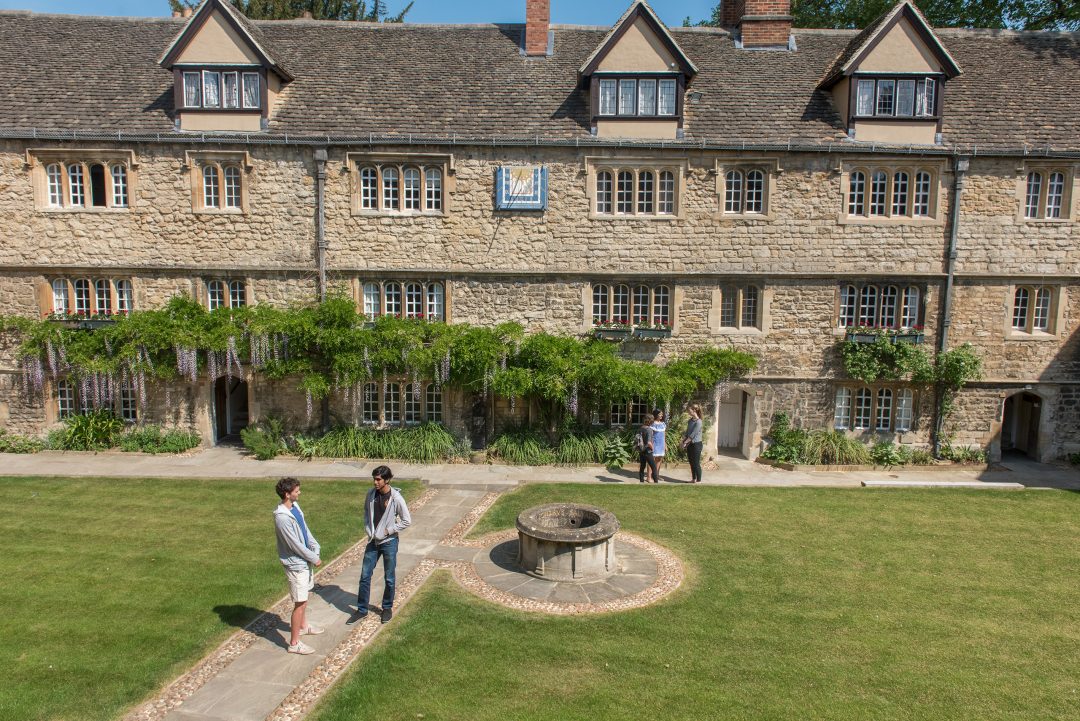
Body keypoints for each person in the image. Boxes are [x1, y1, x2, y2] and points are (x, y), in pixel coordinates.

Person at [348, 465, 412, 625]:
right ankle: (362, 609)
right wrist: (368, 529)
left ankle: (387, 607)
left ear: (387, 480)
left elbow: (407, 521)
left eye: (378, 479)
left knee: (389, 577)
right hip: (373, 542)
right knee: (364, 576)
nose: (375, 482)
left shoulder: (396, 498)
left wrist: (389, 530)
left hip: (389, 543)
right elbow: (366, 513)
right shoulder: (370, 495)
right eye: (374, 479)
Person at [273, 477, 324, 655]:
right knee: (299, 603)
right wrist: (313, 557)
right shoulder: (282, 518)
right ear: (287, 494)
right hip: (296, 565)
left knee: (305, 597)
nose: (299, 492)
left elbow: (305, 530)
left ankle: (303, 626)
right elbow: (294, 544)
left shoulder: (295, 507)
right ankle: (294, 643)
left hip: (304, 561)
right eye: (296, 491)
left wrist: (315, 546)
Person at [682, 404, 704, 483]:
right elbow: (687, 432)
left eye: (689, 410)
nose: (688, 412)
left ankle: (699, 480)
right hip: (690, 444)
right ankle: (693, 479)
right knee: (691, 462)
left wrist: (685, 443)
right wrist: (683, 440)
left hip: (696, 444)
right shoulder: (690, 421)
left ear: (694, 410)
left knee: (696, 463)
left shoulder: (699, 422)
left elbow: (693, 435)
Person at [637, 413, 659, 484]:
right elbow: (649, 442)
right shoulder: (649, 430)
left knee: (642, 467)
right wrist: (652, 449)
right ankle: (656, 483)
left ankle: (641, 482)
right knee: (654, 468)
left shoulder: (641, 428)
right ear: (650, 421)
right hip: (648, 451)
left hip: (641, 450)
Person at [650, 408, 667, 483]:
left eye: (662, 414)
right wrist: (651, 444)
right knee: (652, 460)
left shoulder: (663, 424)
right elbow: (651, 435)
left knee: (659, 459)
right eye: (660, 414)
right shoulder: (652, 424)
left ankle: (656, 475)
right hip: (655, 444)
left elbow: (664, 435)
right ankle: (650, 476)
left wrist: (665, 445)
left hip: (661, 444)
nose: (662, 415)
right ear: (656, 415)